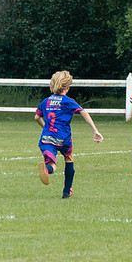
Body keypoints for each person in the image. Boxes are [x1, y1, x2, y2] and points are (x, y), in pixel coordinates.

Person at [35, 70, 103, 198]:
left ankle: (47, 170)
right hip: (63, 138)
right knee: (69, 158)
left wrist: (46, 127)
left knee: (51, 164)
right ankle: (66, 191)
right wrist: (95, 131)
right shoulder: (67, 101)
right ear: (67, 86)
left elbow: (36, 117)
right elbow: (83, 112)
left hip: (46, 138)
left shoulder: (46, 101)